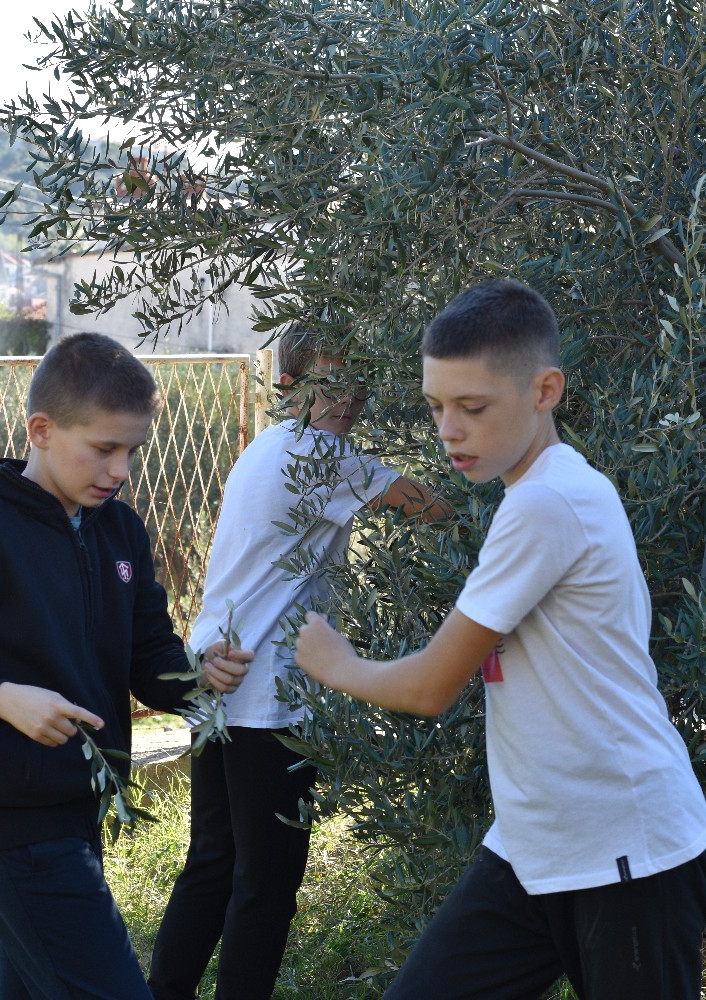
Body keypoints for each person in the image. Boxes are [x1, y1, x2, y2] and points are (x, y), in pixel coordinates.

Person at [294, 279, 706, 1000]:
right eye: (436, 407)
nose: (448, 430)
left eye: (473, 407)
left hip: (627, 855)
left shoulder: (547, 503)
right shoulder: (543, 490)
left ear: (545, 390)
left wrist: (335, 663)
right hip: (534, 848)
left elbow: (431, 686)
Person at [0, 332, 252, 1000]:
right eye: (103, 449)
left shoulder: (119, 530)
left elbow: (148, 657)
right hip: (5, 815)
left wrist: (198, 676)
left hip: (78, 808)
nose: (120, 469)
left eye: (131, 451)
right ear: (41, 431)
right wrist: (1, 698)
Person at [148, 326, 448, 1000]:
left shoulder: (268, 445)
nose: (350, 399)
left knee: (214, 863)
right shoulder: (322, 455)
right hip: (269, 698)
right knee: (267, 883)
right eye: (331, 382)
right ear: (290, 386)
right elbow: (434, 509)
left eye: (358, 383)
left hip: (219, 682)